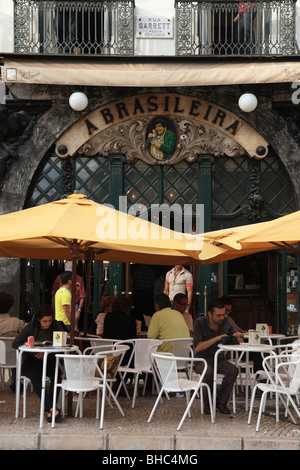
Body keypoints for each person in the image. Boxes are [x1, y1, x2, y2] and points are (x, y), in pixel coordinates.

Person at [12, 304, 64, 422]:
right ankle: (52, 408)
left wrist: (47, 353)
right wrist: (34, 352)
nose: (48, 324)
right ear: (38, 319)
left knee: (57, 376)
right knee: (36, 377)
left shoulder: (56, 325)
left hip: (49, 359)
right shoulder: (31, 327)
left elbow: (60, 344)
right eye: (44, 321)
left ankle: (48, 409)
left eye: (50, 320)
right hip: (31, 360)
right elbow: (15, 343)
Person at [193, 298, 243, 414]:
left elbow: (236, 339)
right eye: (218, 315)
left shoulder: (226, 322)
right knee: (208, 371)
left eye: (223, 315)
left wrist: (237, 336)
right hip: (202, 359)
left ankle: (221, 402)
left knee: (233, 370)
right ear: (210, 314)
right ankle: (207, 404)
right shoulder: (199, 323)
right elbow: (198, 347)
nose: (222, 318)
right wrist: (216, 338)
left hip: (219, 359)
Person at [51, 261, 86, 328]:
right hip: (65, 319)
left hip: (69, 309)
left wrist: (79, 310)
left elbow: (81, 296)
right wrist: (74, 326)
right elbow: (67, 311)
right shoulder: (65, 292)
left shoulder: (60, 291)